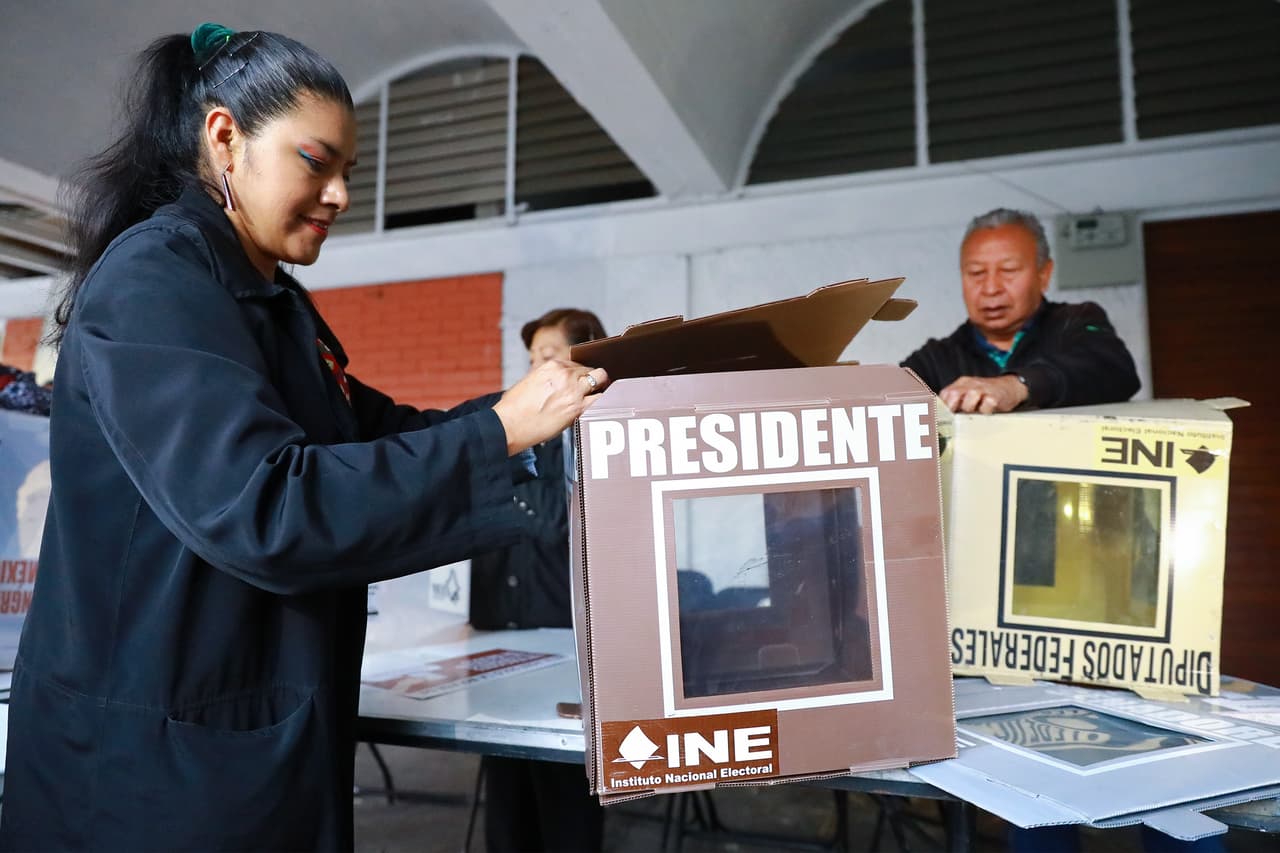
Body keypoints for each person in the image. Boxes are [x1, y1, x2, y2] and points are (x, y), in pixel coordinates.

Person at [0, 24, 607, 852]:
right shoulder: (155, 282)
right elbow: (267, 504)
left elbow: (374, 432)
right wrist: (504, 428)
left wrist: (542, 421)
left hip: (241, 735)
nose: (340, 197)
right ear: (225, 138)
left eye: (348, 173)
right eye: (316, 163)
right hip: (149, 767)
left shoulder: (271, 300)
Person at [469, 308, 608, 853]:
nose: (534, 372)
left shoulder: (594, 429)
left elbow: (552, 518)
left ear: (586, 355)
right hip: (503, 624)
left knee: (562, 785)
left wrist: (491, 461)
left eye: (548, 357)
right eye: (531, 361)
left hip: (562, 634)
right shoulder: (525, 426)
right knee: (506, 787)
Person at [902, 207, 1140, 413]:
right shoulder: (937, 358)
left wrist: (1017, 385)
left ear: (1043, 274)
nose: (991, 288)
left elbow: (1115, 371)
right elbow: (889, 399)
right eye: (976, 273)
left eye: (1008, 270)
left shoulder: (1075, 322)